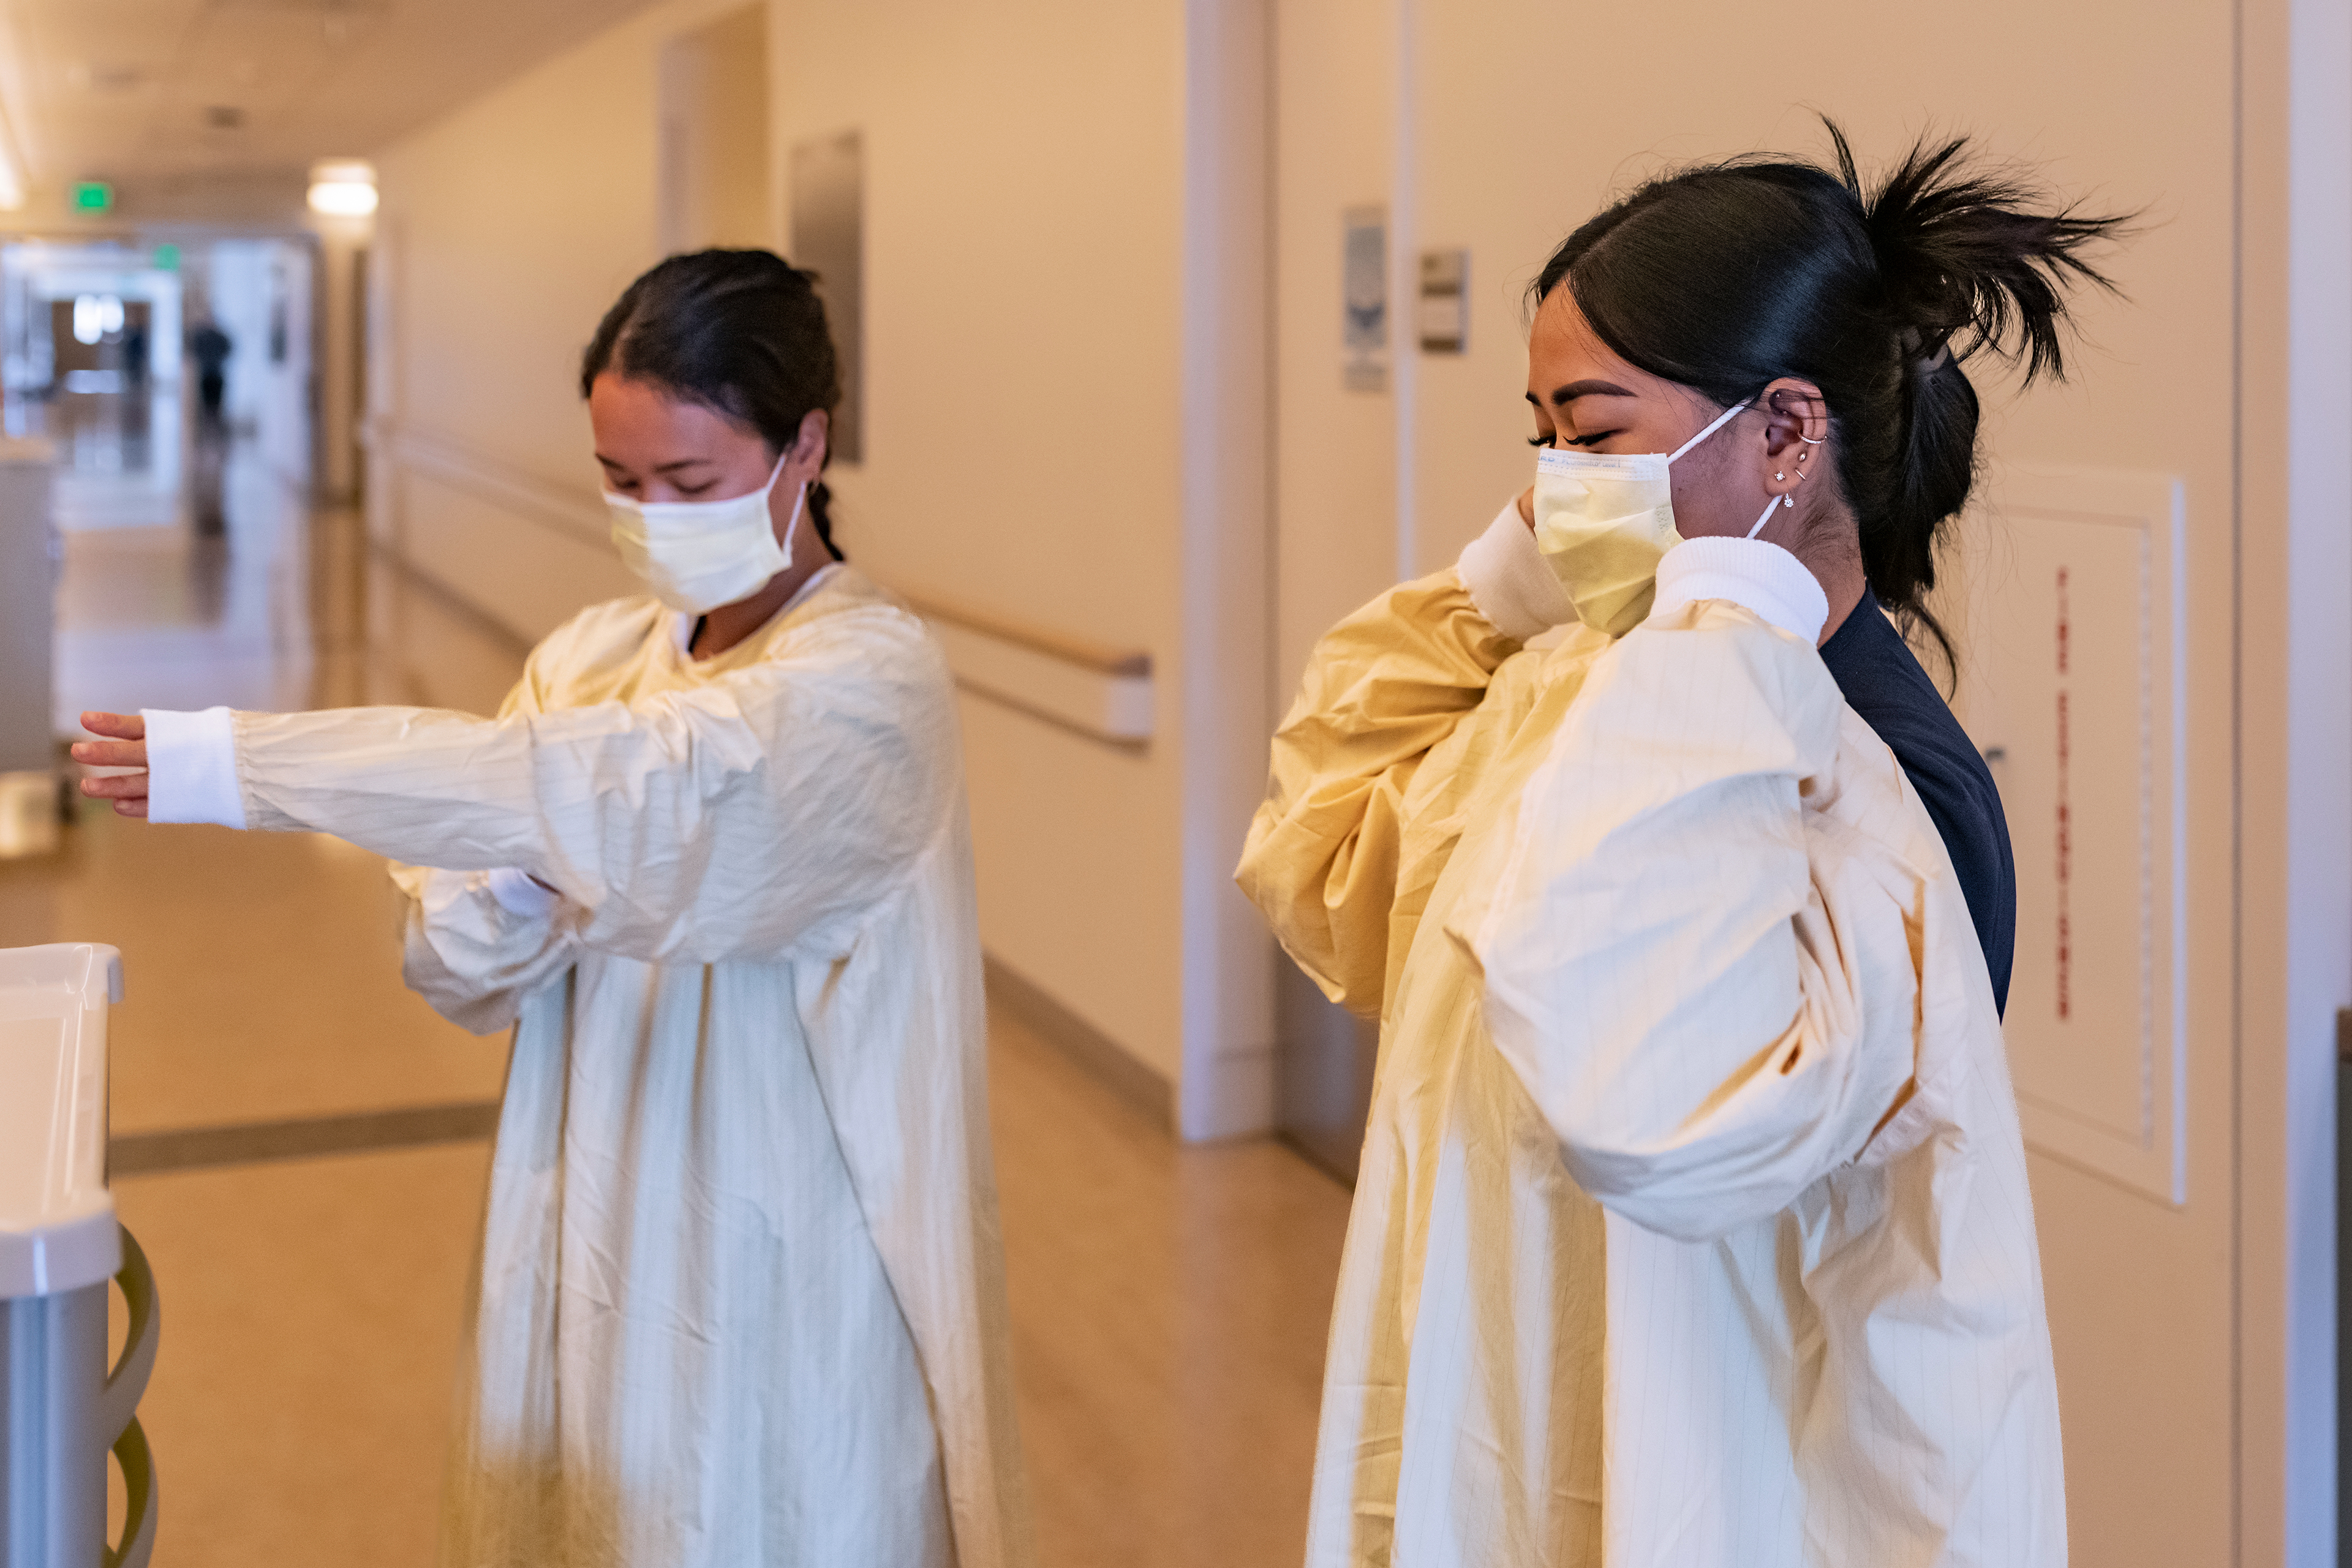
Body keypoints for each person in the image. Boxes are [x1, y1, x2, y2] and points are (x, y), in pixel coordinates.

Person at [1237, 126, 2129, 1566]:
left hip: (1719, 1489)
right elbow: (1330, 861)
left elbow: (1660, 1104)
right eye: (1536, 439)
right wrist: (1494, 594)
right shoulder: (1595, 686)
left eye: (1592, 437)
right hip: (1506, 1426)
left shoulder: (1888, 784)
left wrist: (1717, 631)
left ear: (1786, 433)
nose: (1551, 488)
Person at [75, 250, 1033, 1568]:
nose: (649, 517)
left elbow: (656, 791)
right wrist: (537, 853)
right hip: (585, 1200)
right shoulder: (593, 656)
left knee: (764, 1503)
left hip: (778, 1231)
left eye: (688, 482)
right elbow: (458, 963)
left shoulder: (869, 679)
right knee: (590, 1506)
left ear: (806, 445)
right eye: (619, 480)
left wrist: (255, 766)